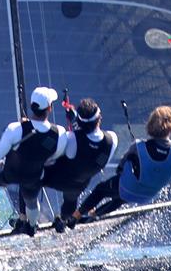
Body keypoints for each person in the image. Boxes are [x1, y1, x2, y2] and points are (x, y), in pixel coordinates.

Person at [0, 86, 68, 242]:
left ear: (31, 107)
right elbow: (54, 158)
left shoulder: (15, 129)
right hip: (34, 176)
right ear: (49, 108)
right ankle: (32, 225)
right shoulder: (60, 133)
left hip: (10, 174)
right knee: (31, 198)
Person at [68, 105, 171, 225]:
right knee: (121, 198)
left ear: (151, 125)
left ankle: (75, 217)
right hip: (149, 196)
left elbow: (120, 168)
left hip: (128, 189)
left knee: (101, 189)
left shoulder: (138, 146)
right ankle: (94, 215)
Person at [41, 97, 118, 233]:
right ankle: (65, 220)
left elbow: (69, 144)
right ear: (99, 118)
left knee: (30, 177)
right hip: (79, 184)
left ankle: (26, 220)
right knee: (70, 199)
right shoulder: (112, 139)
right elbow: (90, 141)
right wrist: (76, 121)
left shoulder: (71, 138)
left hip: (57, 179)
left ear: (79, 122)